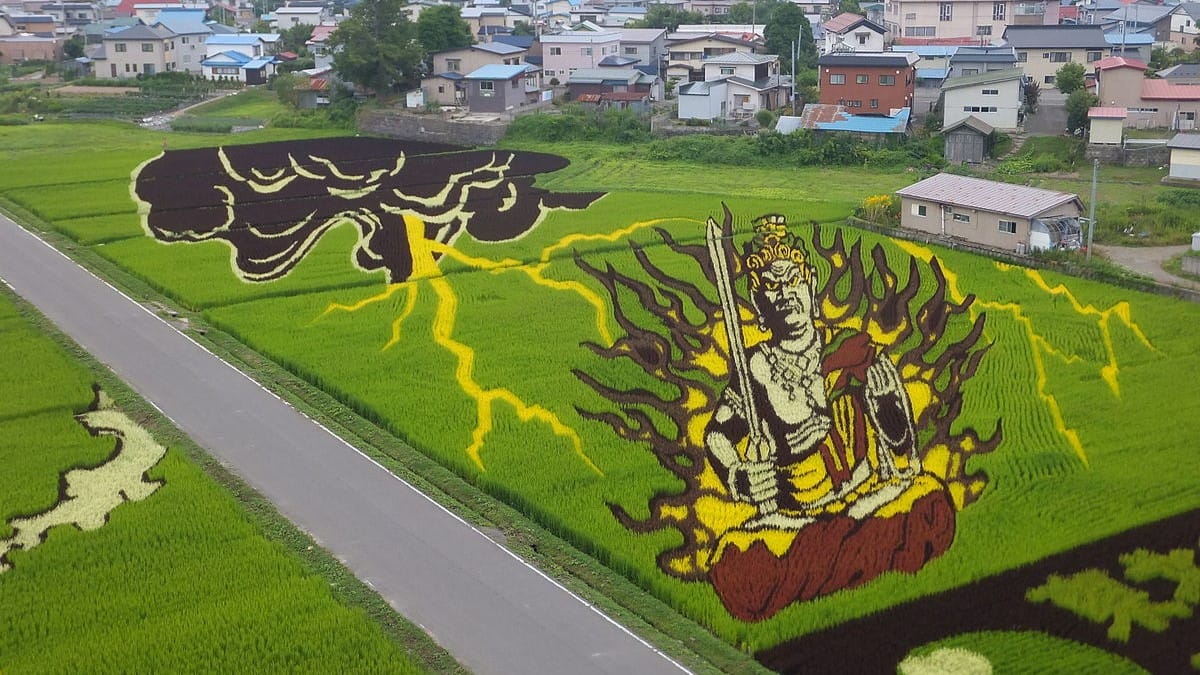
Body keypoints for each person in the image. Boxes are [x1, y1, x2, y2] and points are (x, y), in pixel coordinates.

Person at [705, 218, 926, 532]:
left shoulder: (852, 348)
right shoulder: (755, 367)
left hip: (869, 502)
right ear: (759, 305)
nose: (785, 293)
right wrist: (738, 477)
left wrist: (893, 424)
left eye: (793, 280)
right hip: (802, 521)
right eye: (772, 286)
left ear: (810, 287)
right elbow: (717, 435)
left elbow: (905, 449)